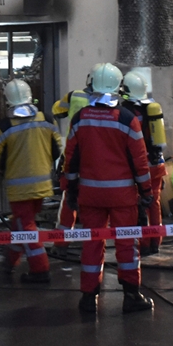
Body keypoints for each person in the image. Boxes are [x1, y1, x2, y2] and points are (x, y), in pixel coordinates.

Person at [63, 63, 154, 314]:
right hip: (122, 196)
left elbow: (71, 158)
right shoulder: (127, 119)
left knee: (92, 243)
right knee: (126, 244)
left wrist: (70, 189)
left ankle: (88, 297)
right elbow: (140, 161)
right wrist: (146, 192)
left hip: (90, 194)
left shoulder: (80, 118)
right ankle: (131, 295)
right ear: (118, 87)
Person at [0, 78, 62, 284]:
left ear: (7, 101)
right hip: (42, 186)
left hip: (19, 190)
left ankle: (40, 270)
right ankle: (10, 261)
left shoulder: (4, 126)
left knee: (27, 228)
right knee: (21, 225)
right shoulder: (47, 119)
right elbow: (57, 149)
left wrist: (7, 170)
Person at [121, 70, 169, 255]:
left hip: (139, 166)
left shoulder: (127, 112)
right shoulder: (152, 108)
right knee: (154, 203)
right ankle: (156, 241)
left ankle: (144, 243)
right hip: (157, 163)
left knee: (138, 204)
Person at [53, 64, 103, 229]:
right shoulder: (111, 102)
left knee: (69, 194)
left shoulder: (74, 96)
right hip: (97, 157)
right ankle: (94, 236)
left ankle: (62, 238)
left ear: (90, 79)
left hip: (72, 153)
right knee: (95, 199)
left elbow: (57, 111)